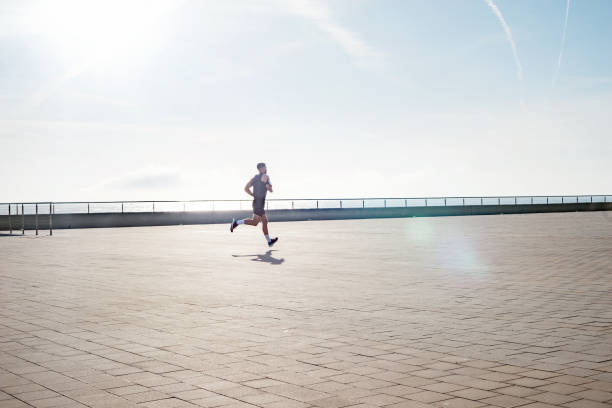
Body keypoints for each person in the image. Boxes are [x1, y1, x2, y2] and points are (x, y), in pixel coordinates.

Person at [230, 163, 278, 247]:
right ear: (261, 169)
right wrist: (268, 188)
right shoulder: (265, 176)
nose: (265, 168)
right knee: (259, 222)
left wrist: (254, 195)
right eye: (264, 167)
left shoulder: (255, 178)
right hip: (259, 203)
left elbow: (246, 188)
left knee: (261, 222)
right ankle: (237, 222)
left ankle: (269, 241)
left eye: (265, 167)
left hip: (257, 202)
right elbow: (271, 190)